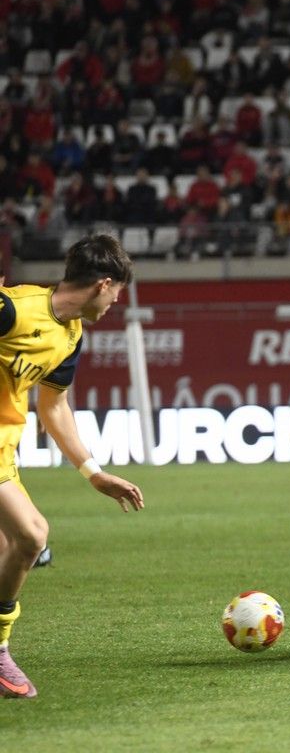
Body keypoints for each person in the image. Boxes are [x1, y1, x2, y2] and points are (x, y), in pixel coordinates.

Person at [0, 234, 145, 698]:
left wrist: (93, 472)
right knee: (32, 535)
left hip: (5, 450)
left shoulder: (70, 336)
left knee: (18, 543)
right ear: (103, 284)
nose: (116, 302)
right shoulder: (14, 310)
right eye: (117, 292)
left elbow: (54, 408)